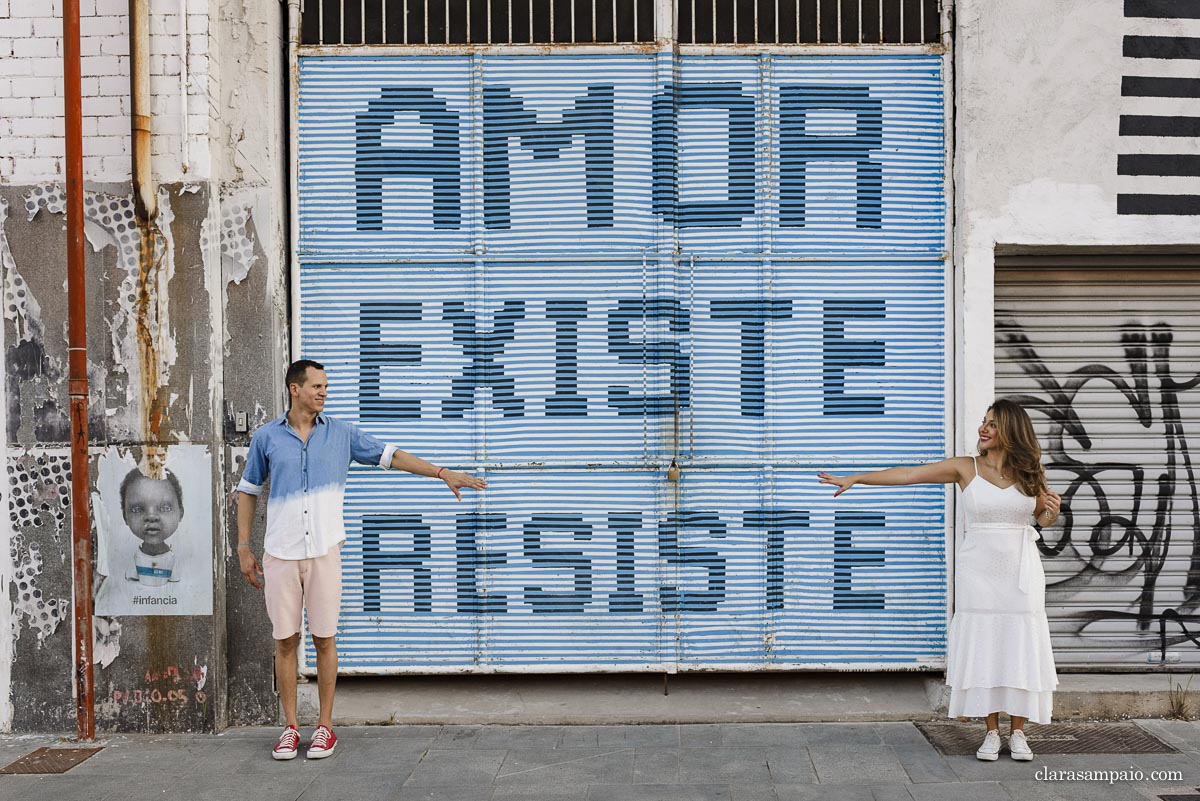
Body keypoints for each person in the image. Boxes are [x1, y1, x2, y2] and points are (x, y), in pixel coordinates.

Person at [235, 359, 487, 761]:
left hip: (324, 551)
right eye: (316, 386)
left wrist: (441, 472)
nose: (323, 392)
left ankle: (325, 728)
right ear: (293, 389)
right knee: (284, 642)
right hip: (280, 552)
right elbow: (247, 490)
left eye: (326, 387)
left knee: (324, 638)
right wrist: (244, 547)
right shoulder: (267, 438)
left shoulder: (342, 434)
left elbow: (392, 456)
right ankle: (289, 728)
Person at [818, 398, 1060, 762]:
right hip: (979, 572)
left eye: (992, 424)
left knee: (1018, 643)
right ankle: (992, 731)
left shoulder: (1029, 471)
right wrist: (857, 477)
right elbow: (909, 474)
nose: (983, 428)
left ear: (1010, 430)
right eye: (983, 421)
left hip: (1021, 573)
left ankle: (1020, 732)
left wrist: (1050, 515)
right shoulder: (967, 468)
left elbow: (1041, 519)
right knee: (985, 644)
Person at [120, 468, 185, 587]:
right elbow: (131, 575)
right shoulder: (134, 561)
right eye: (137, 510)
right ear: (125, 516)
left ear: (180, 512)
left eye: (165, 508)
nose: (151, 516)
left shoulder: (175, 561)